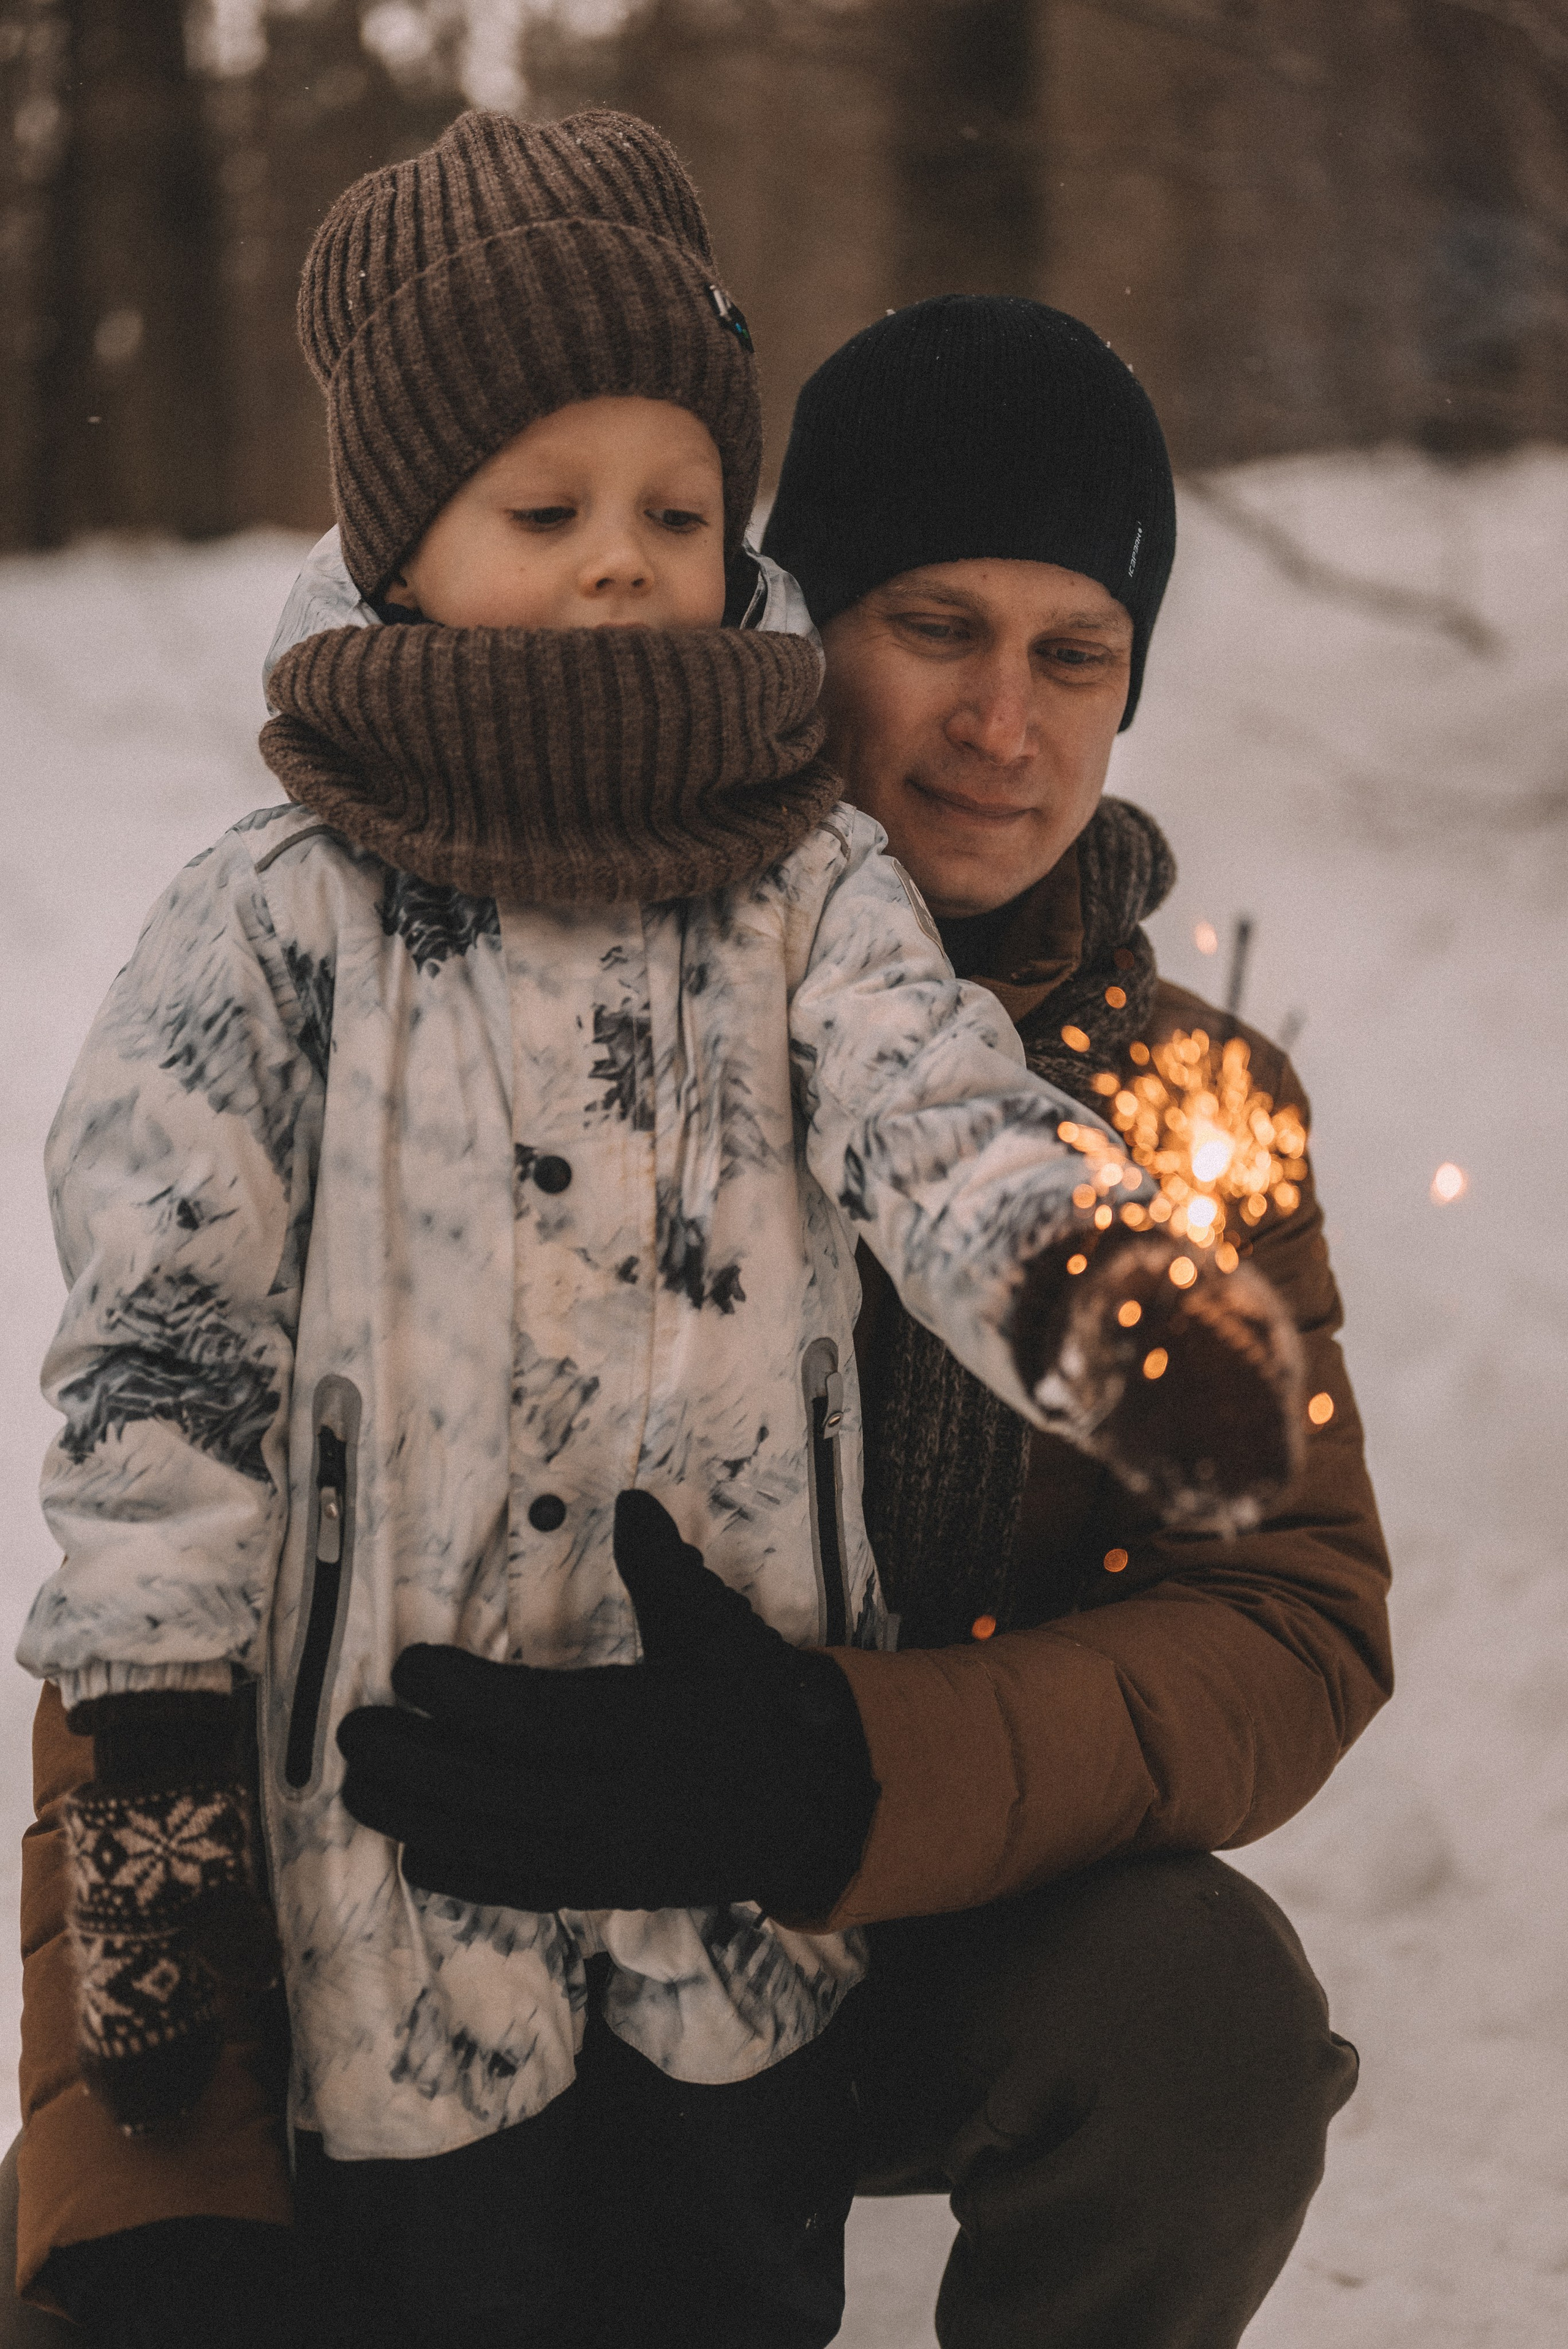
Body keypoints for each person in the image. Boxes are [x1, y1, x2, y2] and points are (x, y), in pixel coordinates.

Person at [4, 120, 1301, 2349]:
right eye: (545, 510)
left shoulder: (812, 897)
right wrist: (143, 1862)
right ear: (402, 548)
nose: (619, 567)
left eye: (675, 516)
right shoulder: (278, 917)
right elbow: (162, 1369)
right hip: (376, 1902)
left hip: (754, 1931)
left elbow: (942, 1114)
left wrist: (1104, 1298)